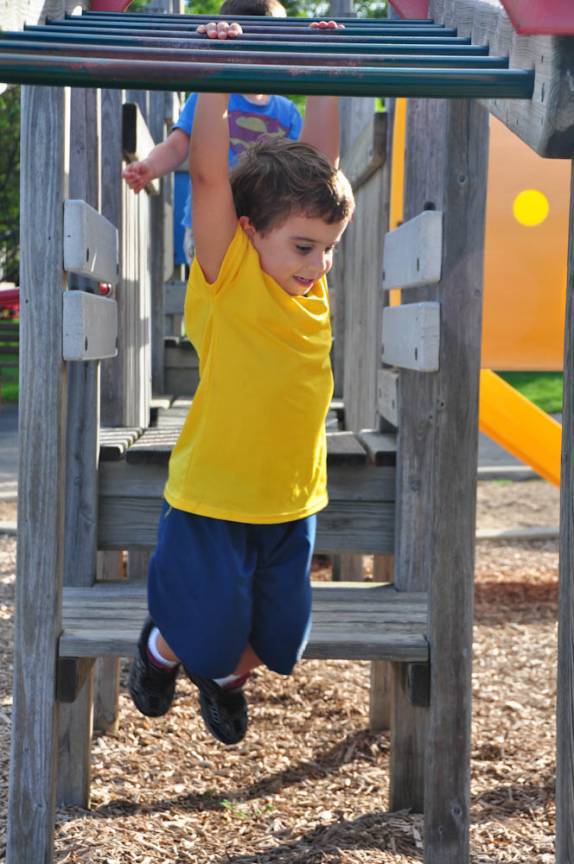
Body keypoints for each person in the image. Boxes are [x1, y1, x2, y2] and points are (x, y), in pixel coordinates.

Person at [128, 18, 354, 748]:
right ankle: (167, 652)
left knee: (282, 640)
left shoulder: (308, 284)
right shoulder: (231, 277)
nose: (318, 265)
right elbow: (207, 172)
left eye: (327, 249)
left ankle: (221, 672)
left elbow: (324, 165)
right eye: (303, 248)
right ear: (251, 230)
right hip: (215, 497)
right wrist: (214, 64)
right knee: (209, 624)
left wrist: (321, 62)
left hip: (292, 502)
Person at [122, 0, 302, 265]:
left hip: (265, 223)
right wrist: (150, 165)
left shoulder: (287, 113)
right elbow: (177, 145)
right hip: (210, 220)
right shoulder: (210, 98)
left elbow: (300, 168)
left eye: (270, 50)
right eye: (247, 50)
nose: (258, 60)